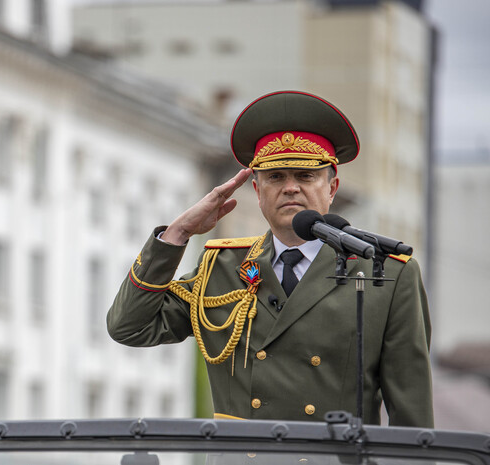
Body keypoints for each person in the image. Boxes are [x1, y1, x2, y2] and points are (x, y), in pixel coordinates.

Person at [106, 90, 433, 427]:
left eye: (305, 176)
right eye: (276, 177)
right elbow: (129, 328)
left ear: (332, 188)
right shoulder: (221, 267)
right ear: (257, 191)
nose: (290, 188)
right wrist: (176, 235)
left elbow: (412, 416)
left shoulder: (384, 273)